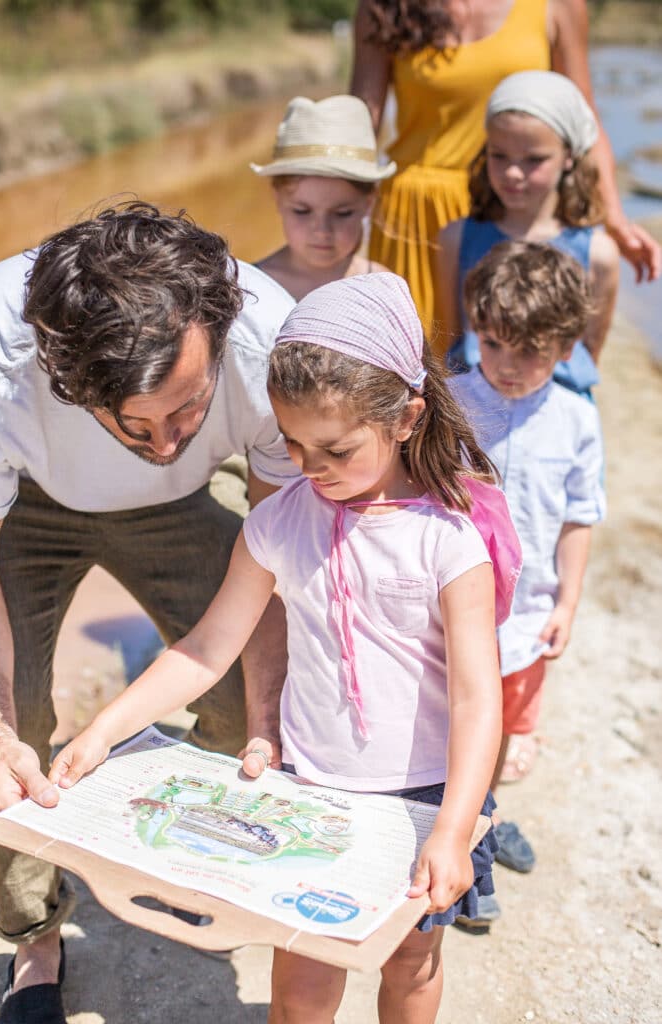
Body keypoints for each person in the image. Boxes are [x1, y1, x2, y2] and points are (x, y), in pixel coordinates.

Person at [50, 272, 522, 1022]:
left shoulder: (449, 540)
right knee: (302, 985)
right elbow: (206, 648)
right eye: (292, 444)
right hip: (309, 788)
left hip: (424, 795)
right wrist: (103, 732)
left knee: (409, 962)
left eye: (334, 448)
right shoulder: (276, 525)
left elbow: (477, 699)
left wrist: (454, 828)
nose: (307, 468)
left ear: (405, 418)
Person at [0, 201, 298, 1024]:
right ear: (64, 376)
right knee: (6, 733)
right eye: (138, 424)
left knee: (247, 709)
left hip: (182, 509)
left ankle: (155, 833)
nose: (167, 442)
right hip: (24, 505)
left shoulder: (270, 340)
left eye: (187, 411)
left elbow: (273, 551)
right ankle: (34, 933)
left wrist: (265, 713)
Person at [351, 0, 661, 352]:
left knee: (510, 365)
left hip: (512, 214)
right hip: (410, 218)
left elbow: (584, 119)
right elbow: (360, 123)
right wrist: (325, 215)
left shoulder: (558, 6)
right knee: (405, 378)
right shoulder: (384, 6)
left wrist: (616, 221)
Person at [449, 241, 605, 928]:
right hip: (448, 612)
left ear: (567, 346)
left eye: (531, 352)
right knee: (447, 722)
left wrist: (567, 603)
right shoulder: (446, 404)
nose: (508, 367)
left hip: (525, 617)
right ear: (473, 327)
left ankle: (483, 816)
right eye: (493, 344)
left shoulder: (576, 420)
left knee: (506, 723)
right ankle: (458, 839)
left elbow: (578, 517)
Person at [439, 70, 620, 397]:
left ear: (569, 157)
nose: (512, 172)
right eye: (499, 155)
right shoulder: (455, 238)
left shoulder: (598, 253)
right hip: (477, 411)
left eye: (533, 159)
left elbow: (588, 351)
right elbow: (454, 338)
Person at [251, 94, 395, 301]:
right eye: (302, 211)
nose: (322, 230)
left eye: (342, 213)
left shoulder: (383, 288)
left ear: (369, 203)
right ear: (277, 198)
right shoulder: (249, 289)